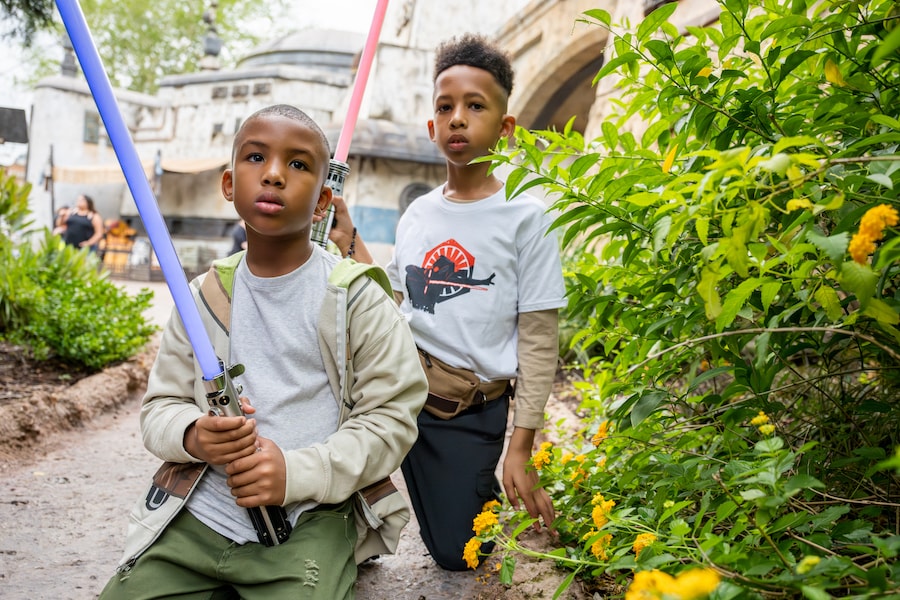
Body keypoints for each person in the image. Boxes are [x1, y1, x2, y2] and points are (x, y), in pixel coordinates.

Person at [99, 104, 427, 600]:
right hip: (200, 513)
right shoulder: (200, 299)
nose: (274, 174)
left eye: (298, 164)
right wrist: (194, 436)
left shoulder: (356, 297)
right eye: (256, 157)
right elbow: (159, 409)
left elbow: (392, 419)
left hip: (309, 516)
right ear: (229, 184)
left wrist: (294, 473)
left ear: (322, 203)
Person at [325, 34, 566, 571]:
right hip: (395, 390)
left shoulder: (527, 216)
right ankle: (354, 496)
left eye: (475, 106)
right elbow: (391, 304)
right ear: (432, 127)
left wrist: (520, 448)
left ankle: (405, 482)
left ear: (505, 129)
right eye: (445, 107)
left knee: (459, 555)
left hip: (467, 411)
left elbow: (539, 338)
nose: (458, 118)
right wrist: (347, 238)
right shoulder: (417, 215)